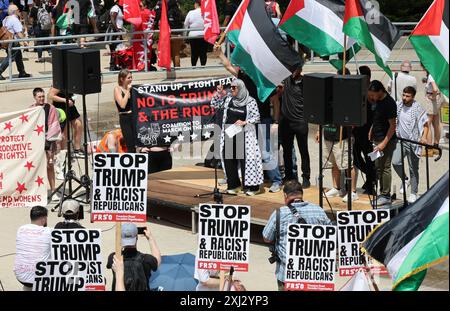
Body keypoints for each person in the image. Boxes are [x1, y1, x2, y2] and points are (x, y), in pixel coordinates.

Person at [214, 44, 282, 192]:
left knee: (265, 153)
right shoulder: (242, 77)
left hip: (262, 119)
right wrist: (219, 54)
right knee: (235, 150)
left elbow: (275, 102)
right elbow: (228, 66)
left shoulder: (263, 80)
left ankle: (276, 181)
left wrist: (276, 121)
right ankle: (234, 180)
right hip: (242, 122)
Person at [262, 180, 332, 291]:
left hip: (287, 275)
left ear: (285, 195)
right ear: (301, 194)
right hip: (314, 275)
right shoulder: (319, 211)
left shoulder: (280, 213)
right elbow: (331, 237)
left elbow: (266, 238)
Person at [211, 79, 264, 196]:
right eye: (231, 87)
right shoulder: (229, 99)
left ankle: (252, 187)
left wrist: (245, 122)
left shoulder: (250, 102)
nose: (231, 89)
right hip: (230, 133)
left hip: (245, 135)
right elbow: (215, 105)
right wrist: (219, 94)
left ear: (240, 88)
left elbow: (257, 117)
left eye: (234, 87)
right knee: (229, 160)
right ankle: (234, 185)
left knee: (247, 161)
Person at [392, 86, 429, 203]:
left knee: (413, 169)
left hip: (413, 142)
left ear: (413, 97)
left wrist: (424, 137)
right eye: (403, 95)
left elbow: (426, 124)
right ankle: (405, 179)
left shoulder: (417, 108)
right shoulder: (399, 106)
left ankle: (414, 192)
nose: (404, 98)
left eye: (407, 96)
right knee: (395, 162)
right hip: (400, 141)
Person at [279, 66, 311, 189]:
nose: (293, 72)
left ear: (300, 70)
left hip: (301, 122)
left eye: (296, 70)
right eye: (292, 69)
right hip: (286, 123)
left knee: (303, 150)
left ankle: (306, 177)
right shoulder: (286, 80)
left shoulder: (306, 82)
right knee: (287, 151)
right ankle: (289, 177)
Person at [106, 223, 161, 291]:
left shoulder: (114, 259)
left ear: (121, 238)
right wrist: (150, 238)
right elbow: (157, 261)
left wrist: (119, 242)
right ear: (136, 238)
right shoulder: (147, 259)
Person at [368, 80, 397, 206]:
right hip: (376, 138)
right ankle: (382, 192)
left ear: (380, 91)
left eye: (373, 95)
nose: (372, 97)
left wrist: (384, 143)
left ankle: (386, 194)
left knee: (385, 167)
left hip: (386, 140)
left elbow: (392, 126)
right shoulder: (378, 101)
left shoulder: (389, 103)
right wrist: (371, 129)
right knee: (378, 166)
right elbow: (377, 118)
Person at [30, 87, 61, 201]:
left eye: (43, 96)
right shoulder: (31, 110)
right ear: (35, 97)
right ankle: (36, 192)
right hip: (35, 143)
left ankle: (53, 191)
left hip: (48, 140)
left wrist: (49, 140)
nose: (42, 98)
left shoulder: (50, 108)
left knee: (49, 166)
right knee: (35, 168)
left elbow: (54, 124)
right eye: (39, 97)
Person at [14, 206, 51, 291]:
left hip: (20, 275)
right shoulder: (48, 231)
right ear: (44, 219)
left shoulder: (21, 229)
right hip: (40, 277)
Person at [353, 65, 376, 195]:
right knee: (355, 158)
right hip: (357, 131)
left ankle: (370, 183)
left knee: (369, 158)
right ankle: (371, 175)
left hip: (368, 132)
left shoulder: (372, 89)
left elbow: (375, 109)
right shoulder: (357, 87)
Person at [48, 86, 84, 157]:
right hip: (60, 108)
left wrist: (72, 98)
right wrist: (65, 100)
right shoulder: (60, 82)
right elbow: (50, 95)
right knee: (64, 133)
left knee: (78, 124)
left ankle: (77, 149)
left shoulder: (73, 80)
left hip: (70, 106)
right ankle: (62, 152)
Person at [0, 4, 31, 80]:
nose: (19, 11)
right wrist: (25, 42)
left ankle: (22, 72)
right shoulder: (15, 19)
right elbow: (19, 33)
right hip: (13, 42)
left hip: (7, 41)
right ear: (15, 11)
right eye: (18, 10)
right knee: (10, 58)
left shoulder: (6, 19)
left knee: (18, 57)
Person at [422, 64, 443, 153]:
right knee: (436, 123)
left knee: (428, 123)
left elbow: (434, 89)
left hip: (432, 99)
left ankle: (429, 147)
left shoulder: (431, 75)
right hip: (438, 99)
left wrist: (433, 96)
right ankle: (436, 145)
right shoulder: (437, 73)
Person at [114, 69, 136, 152]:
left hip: (134, 117)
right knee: (130, 143)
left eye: (131, 77)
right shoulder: (117, 89)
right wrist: (127, 91)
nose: (131, 79)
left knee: (138, 141)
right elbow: (122, 105)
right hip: (125, 118)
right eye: (128, 78)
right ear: (122, 79)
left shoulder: (132, 89)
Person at [184, 0, 207, 67]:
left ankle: (193, 66)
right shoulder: (205, 12)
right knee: (203, 52)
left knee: (194, 52)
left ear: (196, 4)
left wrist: (185, 36)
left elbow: (186, 24)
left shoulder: (191, 12)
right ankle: (203, 66)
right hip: (203, 34)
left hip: (193, 35)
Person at [109, 0, 123, 71]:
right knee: (114, 49)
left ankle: (116, 65)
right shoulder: (115, 8)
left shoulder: (118, 8)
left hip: (118, 31)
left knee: (118, 49)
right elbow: (112, 19)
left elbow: (119, 21)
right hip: (115, 31)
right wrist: (117, 30)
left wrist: (123, 29)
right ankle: (112, 66)